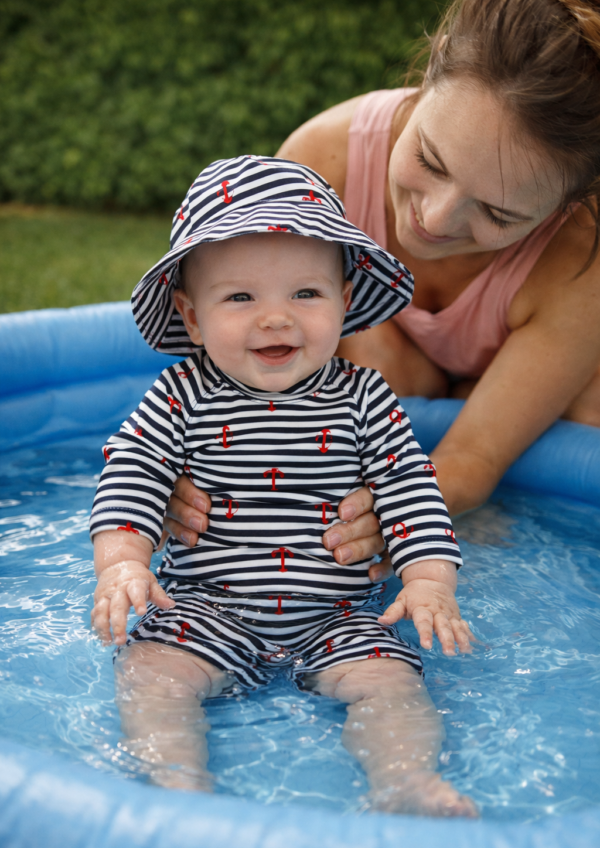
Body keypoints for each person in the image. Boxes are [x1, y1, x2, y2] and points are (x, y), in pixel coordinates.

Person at [90, 155, 476, 817]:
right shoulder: (182, 397)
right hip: (208, 607)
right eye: (240, 297)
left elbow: (411, 488)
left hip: (341, 616)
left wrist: (429, 581)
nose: (276, 319)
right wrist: (122, 562)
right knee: (152, 672)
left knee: (392, 684)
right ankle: (177, 785)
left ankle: (406, 782)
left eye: (305, 294)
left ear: (345, 302)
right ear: (190, 314)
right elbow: (133, 469)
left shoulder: (364, 397)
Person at [163, 0, 600, 584]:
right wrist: (183, 475)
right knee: (351, 359)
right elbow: (225, 367)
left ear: (566, 204)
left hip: (527, 360)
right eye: (429, 158)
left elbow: (474, 458)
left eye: (498, 211)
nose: (435, 220)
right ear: (429, 75)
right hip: (387, 353)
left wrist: (389, 517)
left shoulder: (579, 255)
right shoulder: (325, 163)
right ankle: (447, 382)